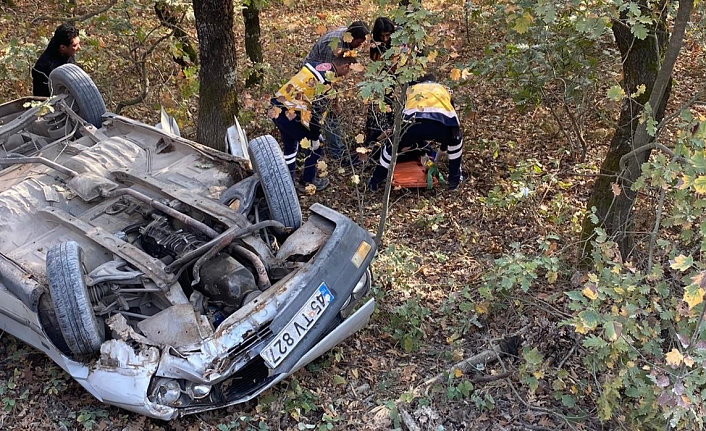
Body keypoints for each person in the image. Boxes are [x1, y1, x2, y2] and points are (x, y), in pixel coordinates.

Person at [271, 54, 358, 192]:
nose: (349, 74)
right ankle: (307, 182)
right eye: (350, 70)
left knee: (290, 146)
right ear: (345, 66)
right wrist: (315, 135)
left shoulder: (318, 65)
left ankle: (288, 182)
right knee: (316, 148)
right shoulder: (324, 83)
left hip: (278, 105)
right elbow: (315, 114)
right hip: (289, 114)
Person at [368, 74, 464, 191]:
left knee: (390, 150)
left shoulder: (412, 90)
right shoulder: (443, 89)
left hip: (413, 125)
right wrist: (444, 148)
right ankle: (454, 182)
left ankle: (374, 182)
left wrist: (398, 139)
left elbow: (405, 118)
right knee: (456, 141)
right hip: (442, 125)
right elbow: (452, 122)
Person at [304, 21, 369, 161]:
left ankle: (330, 145)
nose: (360, 46)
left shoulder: (347, 37)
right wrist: (335, 102)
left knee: (327, 111)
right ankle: (335, 153)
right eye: (358, 42)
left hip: (323, 76)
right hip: (313, 78)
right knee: (327, 112)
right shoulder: (334, 46)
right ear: (351, 37)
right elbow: (330, 77)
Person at [364, 17, 397, 160]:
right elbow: (375, 65)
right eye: (381, 36)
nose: (384, 39)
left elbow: (395, 68)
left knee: (387, 106)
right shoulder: (375, 45)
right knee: (376, 110)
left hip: (394, 78)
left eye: (387, 35)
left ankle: (385, 141)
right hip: (379, 81)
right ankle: (374, 141)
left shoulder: (398, 41)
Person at [32, 23, 81, 97]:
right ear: (63, 47)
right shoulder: (44, 68)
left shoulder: (66, 50)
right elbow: (42, 100)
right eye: (75, 45)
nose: (79, 47)